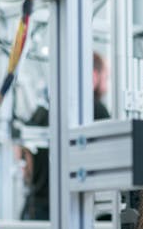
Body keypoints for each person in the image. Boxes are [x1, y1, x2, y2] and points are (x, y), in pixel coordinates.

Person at [19, 51, 111, 220]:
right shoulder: (95, 109)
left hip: (36, 210)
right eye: (106, 77)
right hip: (72, 210)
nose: (107, 84)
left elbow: (24, 159)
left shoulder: (43, 111)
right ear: (93, 76)